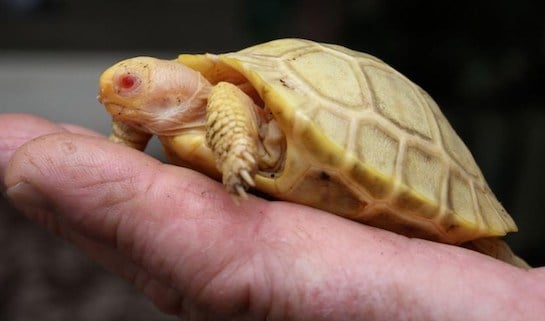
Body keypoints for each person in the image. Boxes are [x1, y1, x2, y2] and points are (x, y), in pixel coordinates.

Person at [1, 113, 544, 321]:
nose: (118, 103)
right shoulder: (171, 120)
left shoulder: (226, 100)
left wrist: (236, 148)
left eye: (128, 88)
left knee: (486, 249)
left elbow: (230, 111)